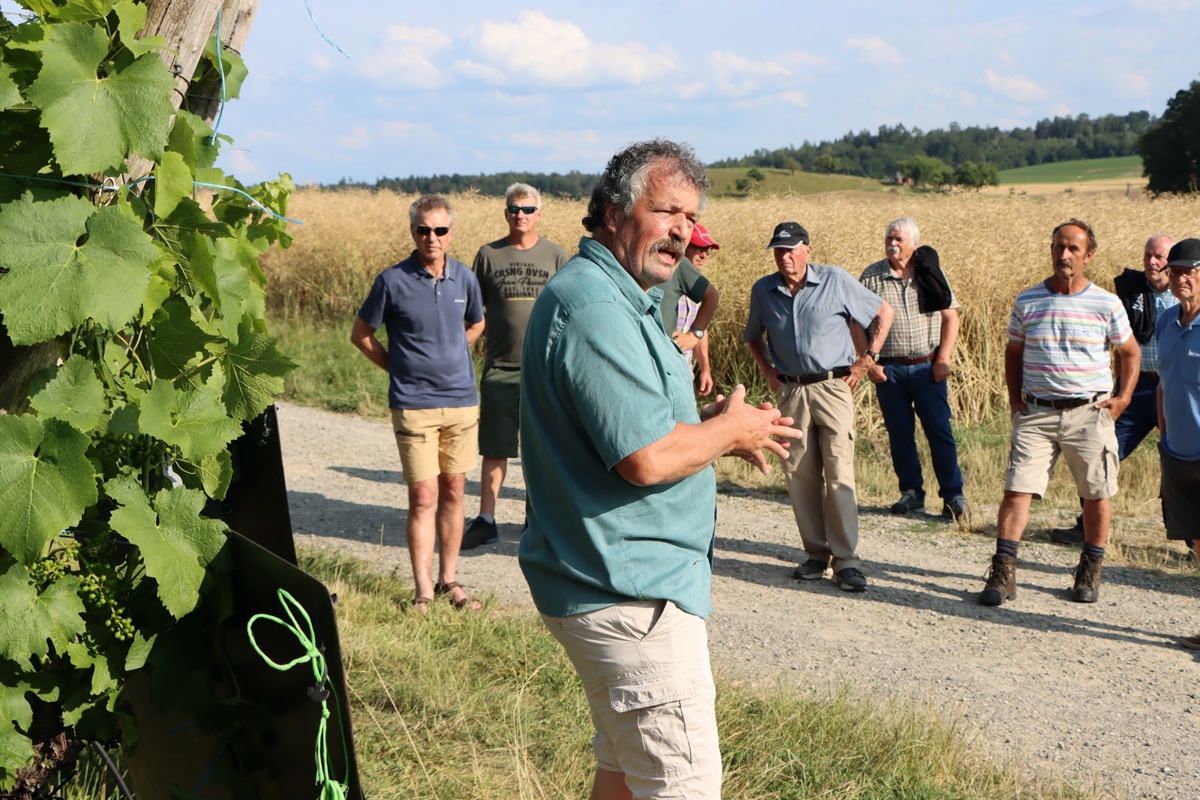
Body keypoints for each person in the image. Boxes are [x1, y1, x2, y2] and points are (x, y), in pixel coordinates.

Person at [519, 139, 799, 800]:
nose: (682, 230)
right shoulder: (593, 308)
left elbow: (642, 428)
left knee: (621, 775)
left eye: (689, 216)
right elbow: (645, 458)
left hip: (618, 583)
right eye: (666, 210)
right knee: (682, 785)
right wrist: (729, 431)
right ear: (615, 213)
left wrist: (714, 428)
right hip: (629, 595)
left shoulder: (620, 297)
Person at [978, 219, 1139, 607]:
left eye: (1072, 248)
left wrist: (1123, 398)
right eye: (1058, 247)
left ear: (1088, 255)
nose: (1064, 255)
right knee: (1017, 490)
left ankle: (1090, 569)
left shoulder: (1106, 302)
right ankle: (1004, 572)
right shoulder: (1028, 300)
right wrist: (1016, 402)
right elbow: (1013, 353)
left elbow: (1129, 352)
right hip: (1037, 412)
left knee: (1096, 494)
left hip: (1089, 412)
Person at [350, 194, 486, 613]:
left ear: (450, 234)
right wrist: (398, 367)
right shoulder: (392, 281)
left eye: (440, 230)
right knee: (423, 496)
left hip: (462, 403)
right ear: (413, 232)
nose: (432, 237)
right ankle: (423, 590)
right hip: (414, 406)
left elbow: (478, 321)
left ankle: (450, 580)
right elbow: (361, 334)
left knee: (455, 491)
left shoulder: (464, 277)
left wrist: (454, 351)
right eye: (423, 230)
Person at [745, 221, 894, 592]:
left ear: (807, 250)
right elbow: (753, 337)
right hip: (792, 391)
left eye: (792, 249)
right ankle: (816, 554)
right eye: (779, 251)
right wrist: (768, 371)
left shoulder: (835, 281)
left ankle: (847, 562)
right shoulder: (764, 290)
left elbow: (883, 312)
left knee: (839, 470)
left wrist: (868, 358)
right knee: (798, 473)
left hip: (833, 386)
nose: (786, 257)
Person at [1051, 233, 1177, 543]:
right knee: (1101, 453)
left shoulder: (1186, 295)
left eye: (1159, 257)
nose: (1151, 262)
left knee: (1183, 463)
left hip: (1174, 392)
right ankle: (1086, 528)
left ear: (1173, 261)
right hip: (1136, 389)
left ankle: (1191, 540)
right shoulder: (1130, 293)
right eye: (1148, 255)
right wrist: (1118, 388)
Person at [462, 184, 568, 550]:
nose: (519, 214)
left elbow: (569, 312)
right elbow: (472, 312)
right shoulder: (488, 254)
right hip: (500, 364)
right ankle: (486, 519)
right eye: (513, 208)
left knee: (539, 450)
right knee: (495, 448)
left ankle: (535, 519)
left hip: (544, 369)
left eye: (527, 208)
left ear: (539, 213)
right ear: (505, 213)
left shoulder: (556, 256)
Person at [859, 217, 969, 521]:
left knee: (940, 431)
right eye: (888, 238)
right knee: (900, 434)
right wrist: (869, 363)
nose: (892, 243)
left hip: (927, 367)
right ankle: (911, 494)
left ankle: (953, 496)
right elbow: (855, 322)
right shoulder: (872, 276)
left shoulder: (930, 271)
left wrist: (943, 358)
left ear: (913, 243)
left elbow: (951, 317)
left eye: (898, 239)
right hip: (890, 370)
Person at [1153, 238, 1200, 648]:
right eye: (1177, 271)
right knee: (1198, 541)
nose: (1182, 278)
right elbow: (1163, 383)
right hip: (1177, 452)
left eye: (1191, 271)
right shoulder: (1166, 321)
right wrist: (1163, 434)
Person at [658, 225, 720, 395]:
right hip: (663, 372)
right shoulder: (667, 279)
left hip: (684, 372)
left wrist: (705, 369)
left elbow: (698, 330)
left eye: (707, 249)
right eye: (698, 247)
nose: (704, 254)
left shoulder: (698, 287)